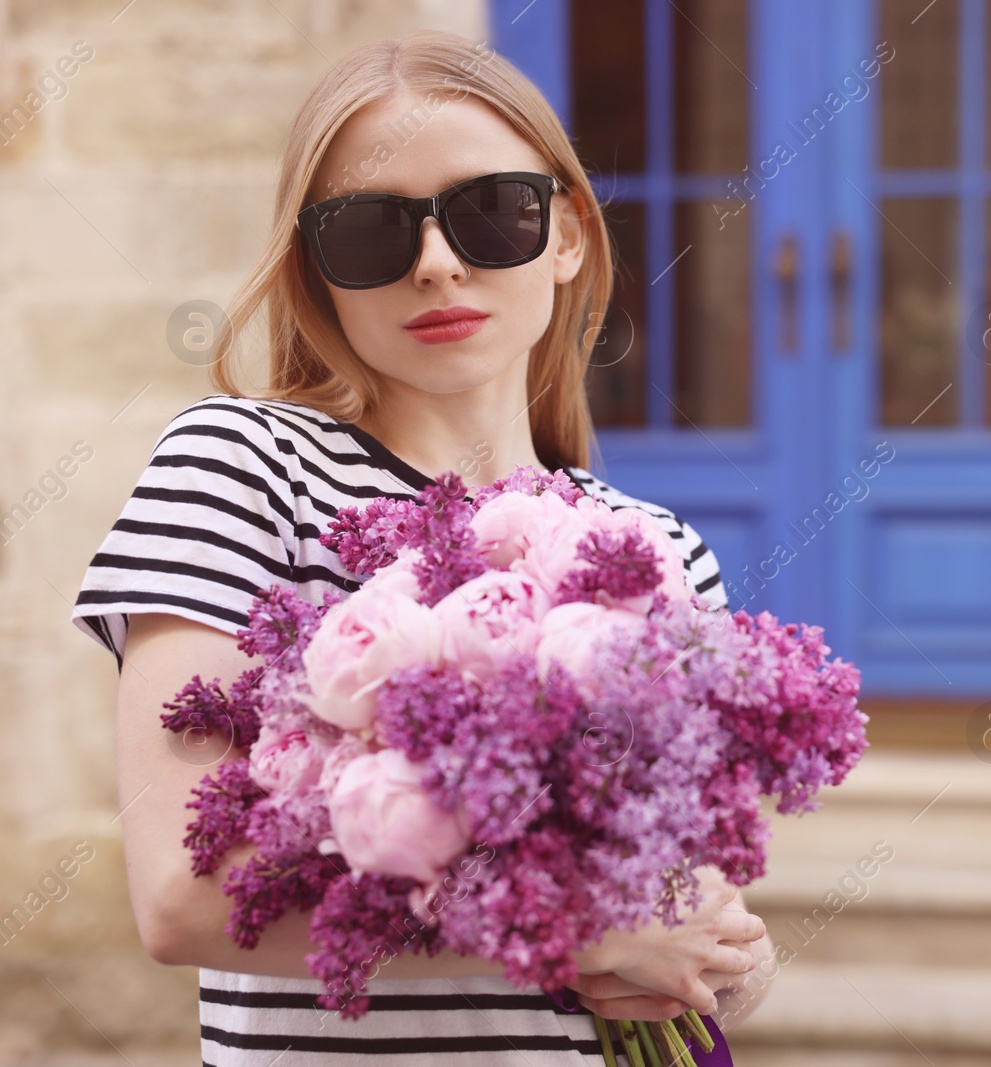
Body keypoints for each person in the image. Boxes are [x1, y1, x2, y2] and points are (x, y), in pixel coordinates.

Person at [71, 29, 773, 1066]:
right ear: (318, 268)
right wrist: (567, 928)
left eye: (493, 211)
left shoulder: (661, 548)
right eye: (369, 231)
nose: (437, 263)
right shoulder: (241, 466)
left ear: (569, 233)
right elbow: (182, 897)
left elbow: (692, 915)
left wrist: (726, 960)